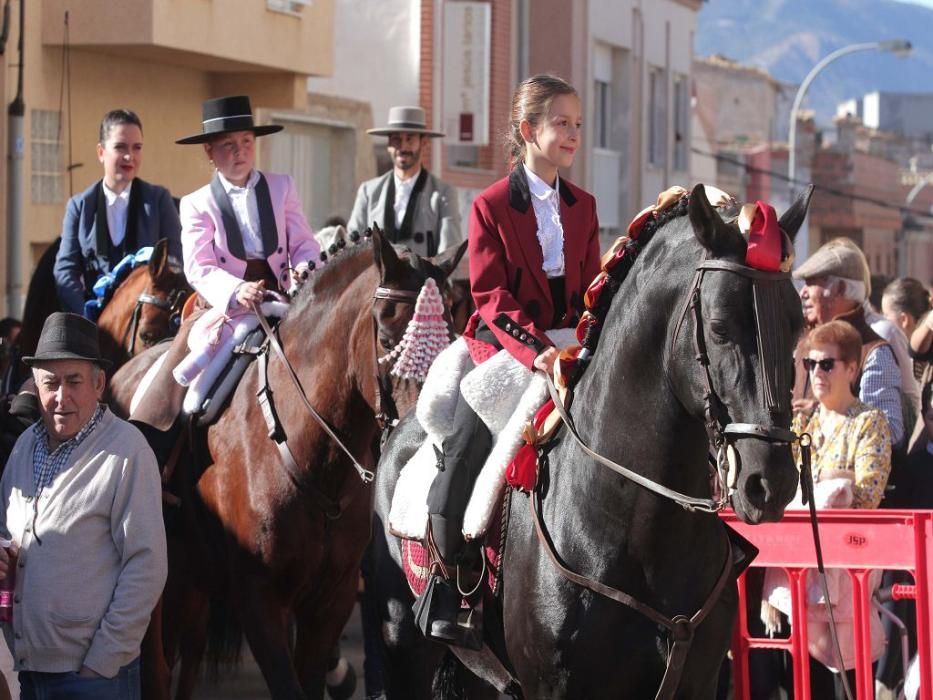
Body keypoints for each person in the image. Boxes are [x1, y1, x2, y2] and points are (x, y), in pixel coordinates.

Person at [416, 74, 601, 648]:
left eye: (576, 123)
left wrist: (584, 339)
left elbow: (595, 288)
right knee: (468, 444)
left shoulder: (585, 206)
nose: (573, 133)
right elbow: (491, 295)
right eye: (561, 123)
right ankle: (449, 583)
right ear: (528, 131)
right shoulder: (490, 205)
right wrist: (538, 350)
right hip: (506, 345)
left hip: (569, 344)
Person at [0, 312, 167, 699]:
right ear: (35, 386)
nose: (62, 396)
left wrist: (103, 661)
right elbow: (5, 528)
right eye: (50, 383)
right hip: (31, 671)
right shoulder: (25, 446)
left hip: (92, 678)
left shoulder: (127, 451)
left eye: (74, 381)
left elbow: (147, 564)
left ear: (99, 384)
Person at [765, 321, 891, 699]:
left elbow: (866, 493)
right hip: (797, 573)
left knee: (846, 684)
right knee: (798, 685)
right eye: (809, 364)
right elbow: (785, 490)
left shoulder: (869, 422)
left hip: (848, 568)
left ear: (852, 369)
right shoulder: (802, 423)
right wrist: (835, 482)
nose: (815, 372)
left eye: (826, 364)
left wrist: (822, 489)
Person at [54, 109, 182, 316]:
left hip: (143, 322)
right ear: (101, 152)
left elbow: (175, 260)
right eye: (120, 147)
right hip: (93, 324)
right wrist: (86, 318)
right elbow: (65, 271)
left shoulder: (159, 200)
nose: (129, 156)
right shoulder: (79, 206)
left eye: (137, 147)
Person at [794, 238, 905, 448]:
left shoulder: (873, 352)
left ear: (841, 289)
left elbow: (890, 431)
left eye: (812, 282)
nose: (803, 292)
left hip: (850, 479)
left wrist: (827, 414)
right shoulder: (802, 345)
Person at [347, 106, 462, 257]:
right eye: (396, 139)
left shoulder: (443, 194)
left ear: (424, 143)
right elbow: (352, 247)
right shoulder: (368, 192)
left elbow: (449, 255)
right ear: (388, 145)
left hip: (425, 280)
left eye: (410, 138)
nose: (402, 146)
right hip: (378, 280)